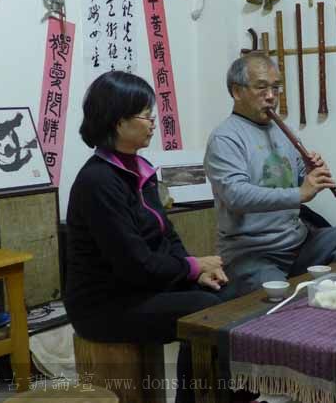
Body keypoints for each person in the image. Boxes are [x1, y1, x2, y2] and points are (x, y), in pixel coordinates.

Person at [65, 71, 230, 403]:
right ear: (118, 122)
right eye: (145, 115)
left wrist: (195, 271)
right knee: (206, 312)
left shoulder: (139, 168)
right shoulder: (98, 182)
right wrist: (193, 267)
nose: (153, 122)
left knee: (228, 293)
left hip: (141, 288)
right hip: (103, 305)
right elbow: (134, 264)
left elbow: (167, 235)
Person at [205, 52, 336, 296]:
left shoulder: (282, 130)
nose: (271, 96)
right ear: (237, 91)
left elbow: (297, 180)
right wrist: (300, 194)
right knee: (277, 293)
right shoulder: (225, 138)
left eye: (276, 88)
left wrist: (309, 173)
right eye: (261, 87)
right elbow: (235, 196)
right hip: (251, 252)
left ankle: (323, 303)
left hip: (296, 243)